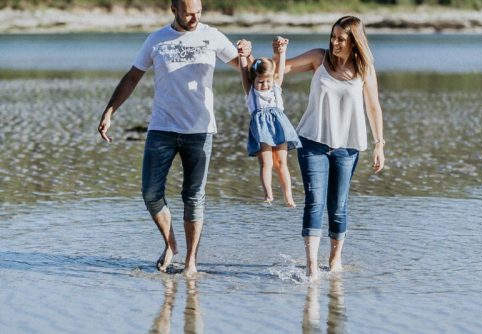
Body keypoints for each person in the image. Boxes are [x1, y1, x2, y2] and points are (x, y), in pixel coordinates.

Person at [97, 0, 252, 277]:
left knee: (194, 197)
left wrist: (247, 56)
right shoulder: (157, 39)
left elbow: (246, 71)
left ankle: (191, 262)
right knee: (150, 193)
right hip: (162, 128)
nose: (194, 18)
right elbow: (133, 77)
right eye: (188, 13)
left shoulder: (212, 36)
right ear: (174, 10)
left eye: (199, 12)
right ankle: (171, 244)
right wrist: (110, 110)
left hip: (200, 129)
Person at [274, 16, 385, 280]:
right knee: (314, 202)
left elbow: (373, 107)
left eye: (341, 39)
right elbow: (278, 74)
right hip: (312, 141)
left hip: (347, 147)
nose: (334, 42)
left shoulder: (364, 69)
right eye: (333, 37)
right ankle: (312, 266)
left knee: (337, 206)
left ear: (354, 42)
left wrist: (380, 145)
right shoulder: (318, 58)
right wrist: (279, 54)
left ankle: (334, 260)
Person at [239, 37, 301, 207]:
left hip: (279, 127)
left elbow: (279, 68)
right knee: (266, 162)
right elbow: (244, 71)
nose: (265, 85)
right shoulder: (251, 91)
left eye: (267, 81)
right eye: (260, 82)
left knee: (281, 163)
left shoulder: (275, 86)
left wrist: (282, 52)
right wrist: (243, 55)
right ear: (253, 81)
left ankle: (288, 197)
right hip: (261, 130)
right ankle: (268, 195)